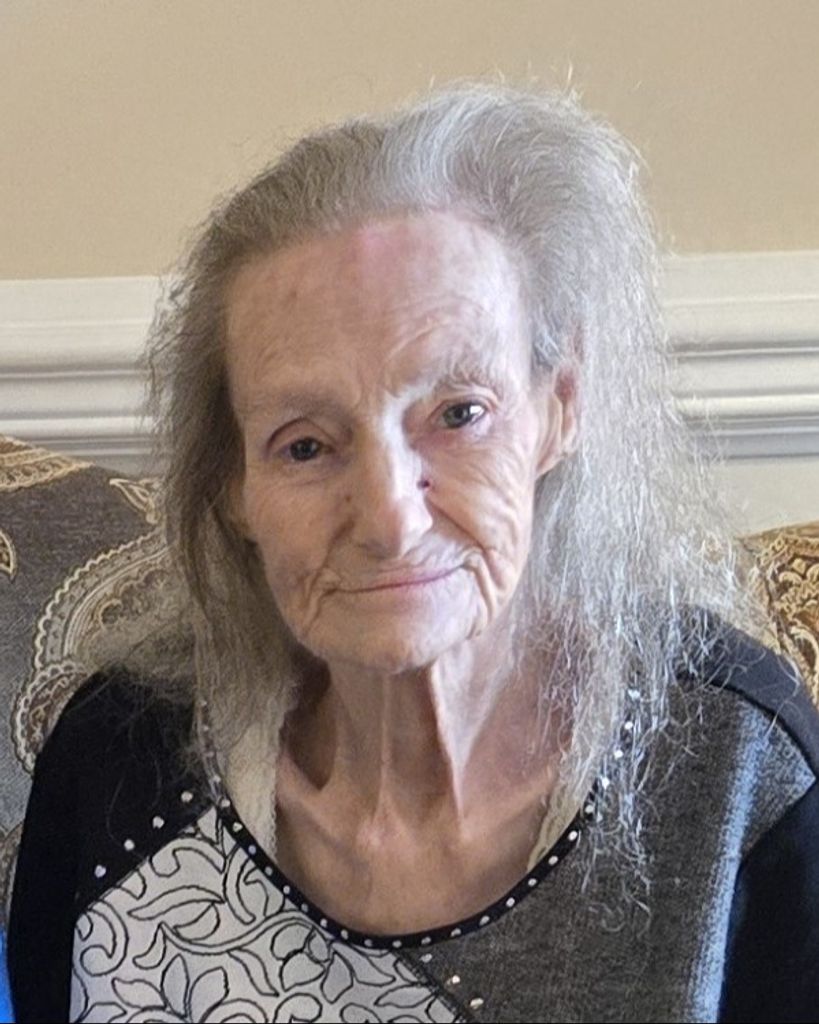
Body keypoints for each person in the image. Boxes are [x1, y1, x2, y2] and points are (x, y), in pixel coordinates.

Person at [7, 82, 819, 1023]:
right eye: (305, 446)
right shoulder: (120, 765)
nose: (390, 520)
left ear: (558, 408)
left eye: (458, 414)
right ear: (232, 485)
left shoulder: (732, 766)